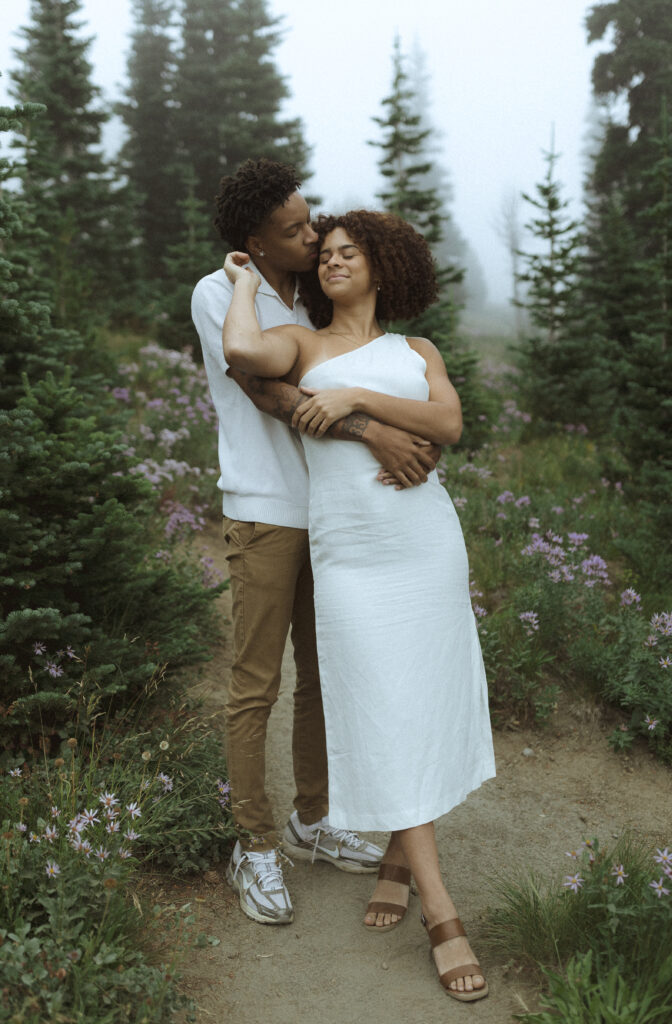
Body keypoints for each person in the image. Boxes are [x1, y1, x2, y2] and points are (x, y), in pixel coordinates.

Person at [221, 209, 496, 1002]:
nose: (334, 261)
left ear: (384, 266)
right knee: (380, 704)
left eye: (351, 253)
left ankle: (402, 863)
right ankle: (440, 911)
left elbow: (447, 422)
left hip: (423, 545)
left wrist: (348, 399)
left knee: (424, 698)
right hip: (351, 557)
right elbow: (243, 350)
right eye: (326, 254)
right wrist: (243, 278)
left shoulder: (416, 350)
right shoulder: (301, 343)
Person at [191, 159, 441, 927]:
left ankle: (312, 818)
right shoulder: (218, 291)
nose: (312, 234)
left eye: (310, 221)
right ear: (254, 241)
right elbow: (268, 393)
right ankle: (254, 844)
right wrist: (375, 433)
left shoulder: (315, 293)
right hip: (268, 509)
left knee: (324, 675)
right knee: (255, 681)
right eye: (295, 229)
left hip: (336, 515)